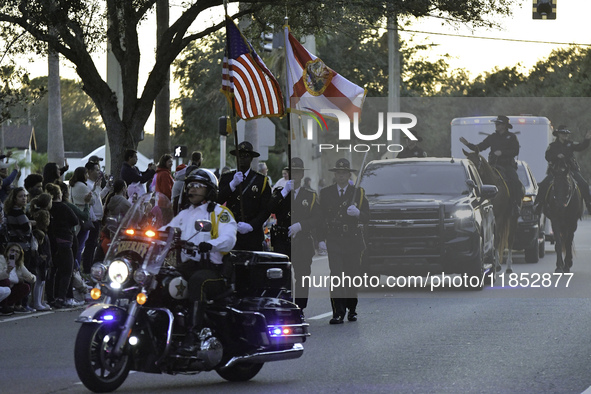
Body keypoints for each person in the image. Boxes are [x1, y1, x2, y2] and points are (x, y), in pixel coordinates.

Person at [165, 168, 237, 355]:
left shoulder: (220, 212)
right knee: (163, 279)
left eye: (198, 186)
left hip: (214, 270)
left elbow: (229, 238)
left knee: (199, 281)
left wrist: (210, 244)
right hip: (188, 267)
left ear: (210, 190)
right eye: (190, 186)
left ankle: (193, 334)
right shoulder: (185, 214)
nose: (192, 190)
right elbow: (165, 230)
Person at [318, 158, 369, 325]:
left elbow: (369, 217)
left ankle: (351, 309)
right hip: (334, 240)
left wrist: (358, 214)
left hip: (353, 241)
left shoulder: (359, 193)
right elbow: (321, 218)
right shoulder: (326, 193)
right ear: (335, 175)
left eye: (344, 173)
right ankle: (338, 312)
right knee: (337, 276)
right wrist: (320, 240)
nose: (341, 176)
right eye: (338, 173)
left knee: (351, 276)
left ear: (349, 175)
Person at [268, 157, 319, 312]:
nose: (294, 175)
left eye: (297, 172)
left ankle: (300, 308)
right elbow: (269, 208)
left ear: (302, 175)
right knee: (283, 276)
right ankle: (285, 307)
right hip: (282, 239)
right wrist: (284, 192)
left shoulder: (310, 195)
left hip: (301, 240)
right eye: (291, 172)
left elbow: (317, 218)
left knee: (302, 276)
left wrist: (301, 225)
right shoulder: (279, 192)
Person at [460, 115, 524, 215]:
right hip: (493, 165)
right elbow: (480, 147)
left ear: (504, 125)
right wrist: (468, 144)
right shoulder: (492, 137)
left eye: (498, 124)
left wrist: (502, 152)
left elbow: (515, 151)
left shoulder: (511, 137)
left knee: (515, 180)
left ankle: (515, 205)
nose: (496, 126)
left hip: (507, 166)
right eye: (496, 124)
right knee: (480, 177)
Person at [217, 141, 271, 251]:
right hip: (231, 231)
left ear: (251, 158)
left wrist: (251, 226)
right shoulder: (227, 178)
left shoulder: (261, 180)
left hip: (252, 234)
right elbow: (218, 200)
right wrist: (232, 185)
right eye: (239, 156)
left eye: (246, 156)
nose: (242, 159)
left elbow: (266, 209)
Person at [534, 126, 591, 214]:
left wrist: (587, 140)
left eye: (566, 134)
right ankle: (538, 204)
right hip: (556, 170)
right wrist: (556, 156)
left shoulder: (570, 144)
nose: (565, 135)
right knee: (544, 184)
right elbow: (547, 156)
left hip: (570, 169)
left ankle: (588, 204)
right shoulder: (552, 146)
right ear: (558, 134)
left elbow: (581, 147)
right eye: (563, 133)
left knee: (584, 184)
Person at [45, 183, 79, 309]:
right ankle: (61, 297)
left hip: (51, 242)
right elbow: (75, 220)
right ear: (59, 194)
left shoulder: (47, 209)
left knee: (52, 270)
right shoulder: (63, 207)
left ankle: (50, 297)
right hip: (64, 241)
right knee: (67, 270)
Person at [0, 243, 35, 314]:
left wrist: (30, 278)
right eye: (12, 250)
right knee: (6, 281)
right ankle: (2, 306)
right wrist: (7, 271)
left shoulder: (19, 265)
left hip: (10, 290)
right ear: (7, 251)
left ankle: (8, 305)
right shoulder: (1, 259)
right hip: (2, 286)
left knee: (25, 286)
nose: (14, 253)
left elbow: (31, 276)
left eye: (17, 252)